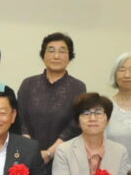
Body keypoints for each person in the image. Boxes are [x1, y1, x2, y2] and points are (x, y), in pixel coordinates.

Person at [17, 32, 87, 165]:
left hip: (65, 157)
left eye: (62, 51)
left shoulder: (78, 87)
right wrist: (31, 151)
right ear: (43, 55)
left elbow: (76, 124)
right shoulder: (28, 84)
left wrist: (50, 152)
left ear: (70, 57)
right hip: (28, 156)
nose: (56, 56)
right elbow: (20, 119)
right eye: (51, 50)